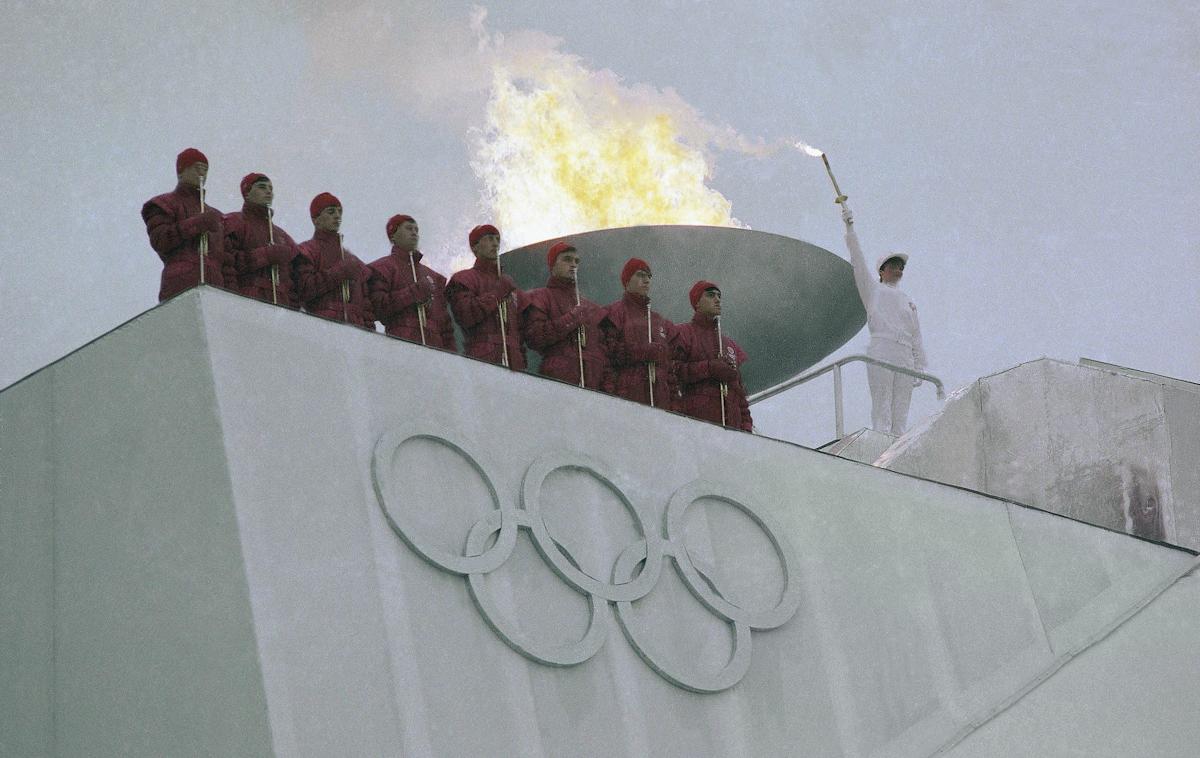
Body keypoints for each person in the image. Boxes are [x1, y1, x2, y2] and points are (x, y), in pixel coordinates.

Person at [842, 206, 928, 435]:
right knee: (882, 411)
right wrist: (850, 229)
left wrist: (920, 364)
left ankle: (897, 449)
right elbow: (858, 262)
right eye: (893, 266)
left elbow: (916, 335)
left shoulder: (907, 301)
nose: (898, 270)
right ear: (881, 271)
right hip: (882, 349)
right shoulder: (873, 291)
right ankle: (880, 444)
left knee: (901, 414)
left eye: (900, 267)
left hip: (904, 355)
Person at [141, 148, 234, 301]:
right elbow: (161, 240)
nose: (202, 174)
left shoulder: (218, 217)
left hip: (217, 290)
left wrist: (232, 297)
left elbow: (228, 263)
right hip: (180, 284)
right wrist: (197, 223)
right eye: (197, 168)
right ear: (181, 171)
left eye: (206, 170)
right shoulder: (164, 204)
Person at [520, 241, 610, 390]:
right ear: (553, 265)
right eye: (567, 259)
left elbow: (605, 353)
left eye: (576, 261)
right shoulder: (540, 297)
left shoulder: (592, 308)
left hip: (595, 387)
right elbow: (535, 337)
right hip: (558, 382)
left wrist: (607, 388)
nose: (573, 264)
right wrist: (572, 318)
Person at [366, 214, 456, 350]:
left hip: (436, 352)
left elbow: (446, 326)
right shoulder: (382, 268)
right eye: (408, 228)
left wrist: (452, 358)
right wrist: (413, 292)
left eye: (416, 230)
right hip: (401, 345)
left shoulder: (435, 278)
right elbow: (376, 308)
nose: (414, 233)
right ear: (393, 236)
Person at [671, 281, 751, 430]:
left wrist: (746, 425)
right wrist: (709, 367)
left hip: (734, 430)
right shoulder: (682, 334)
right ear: (697, 302)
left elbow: (740, 392)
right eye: (710, 295)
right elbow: (672, 371)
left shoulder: (729, 345)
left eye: (719, 296)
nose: (717, 299)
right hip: (697, 424)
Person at [445, 224, 525, 370]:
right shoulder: (463, 279)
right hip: (482, 358)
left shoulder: (510, 285)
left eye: (497, 239)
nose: (495, 243)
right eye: (489, 239)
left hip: (515, 363)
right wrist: (497, 293)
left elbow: (521, 329)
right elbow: (466, 315)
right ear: (475, 247)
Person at [599, 258, 673, 407]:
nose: (646, 280)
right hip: (627, 398)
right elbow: (607, 355)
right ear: (627, 281)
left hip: (660, 402)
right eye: (640, 275)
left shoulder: (659, 320)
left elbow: (670, 368)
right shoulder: (613, 313)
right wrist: (643, 351)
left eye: (648, 277)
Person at [295, 192, 374, 329]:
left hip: (356, 333)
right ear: (316, 219)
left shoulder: (353, 261)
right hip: (320, 327)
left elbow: (366, 307)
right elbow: (303, 290)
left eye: (339, 212)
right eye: (331, 212)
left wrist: (370, 333)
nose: (337, 216)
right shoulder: (307, 251)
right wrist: (339, 272)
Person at [223, 173, 300, 306]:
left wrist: (292, 307)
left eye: (271, 188)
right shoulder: (233, 223)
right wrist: (265, 255)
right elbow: (227, 263)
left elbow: (293, 283)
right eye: (262, 187)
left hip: (282, 309)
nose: (268, 191)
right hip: (249, 302)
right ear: (247, 193)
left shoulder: (283, 237)